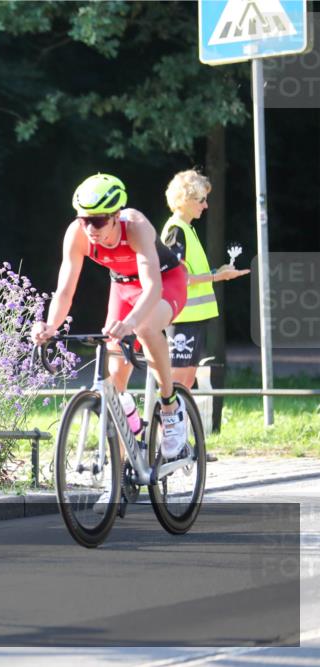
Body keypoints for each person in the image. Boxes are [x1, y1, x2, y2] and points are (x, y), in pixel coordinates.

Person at [32, 174, 191, 508]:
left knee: (147, 329)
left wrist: (131, 323)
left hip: (165, 282)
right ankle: (119, 474)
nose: (91, 228)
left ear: (116, 216)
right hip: (122, 288)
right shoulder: (77, 234)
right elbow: (65, 289)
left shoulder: (137, 227)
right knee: (113, 384)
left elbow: (152, 290)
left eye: (99, 220)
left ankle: (170, 406)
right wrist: (49, 325)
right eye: (84, 219)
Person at [161, 170, 249, 461]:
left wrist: (217, 274)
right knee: (176, 383)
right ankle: (167, 443)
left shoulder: (186, 228)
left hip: (192, 318)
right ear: (184, 200)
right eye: (201, 199)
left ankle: (179, 444)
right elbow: (178, 276)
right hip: (182, 317)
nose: (205, 205)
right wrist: (217, 276)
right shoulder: (176, 230)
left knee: (184, 384)